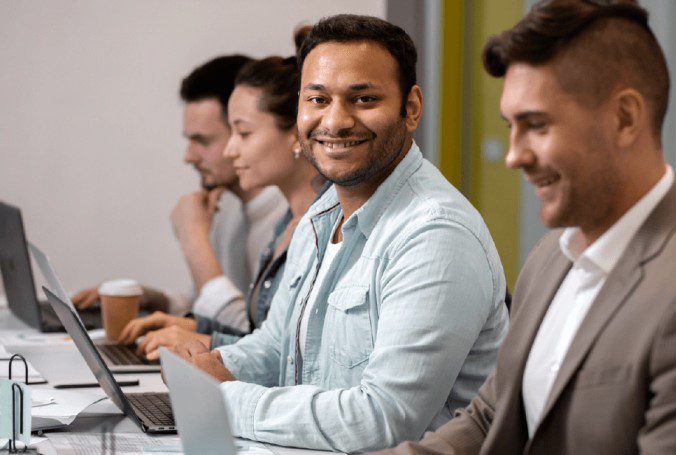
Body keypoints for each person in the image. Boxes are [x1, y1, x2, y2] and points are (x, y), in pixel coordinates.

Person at [380, 1, 676, 453]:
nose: (514, 155)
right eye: (511, 127)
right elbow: (490, 417)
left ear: (624, 118)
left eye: (536, 125)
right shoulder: (552, 255)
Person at [171, 14, 509, 452]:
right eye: (317, 99)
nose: (335, 121)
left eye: (363, 98)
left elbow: (384, 420)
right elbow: (278, 348)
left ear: (411, 108)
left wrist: (221, 400)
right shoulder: (321, 215)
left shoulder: (435, 234)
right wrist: (213, 365)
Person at [120, 29, 329, 358]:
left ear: (296, 133)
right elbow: (260, 332)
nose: (232, 149)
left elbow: (283, 355)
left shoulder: (319, 225)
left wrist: (193, 239)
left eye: (242, 133)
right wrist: (193, 325)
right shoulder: (281, 220)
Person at [72, 56, 288, 336]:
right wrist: (152, 300)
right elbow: (208, 306)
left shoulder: (290, 218)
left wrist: (193, 240)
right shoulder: (228, 206)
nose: (188, 157)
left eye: (202, 141)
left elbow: (254, 336)